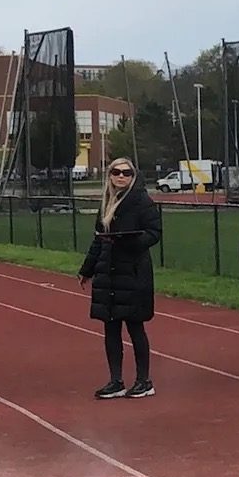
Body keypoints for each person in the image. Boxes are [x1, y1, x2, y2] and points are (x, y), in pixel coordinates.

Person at [78, 157, 162, 399]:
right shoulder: (106, 203)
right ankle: (116, 381)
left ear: (133, 176)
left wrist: (130, 242)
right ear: (110, 175)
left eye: (126, 172)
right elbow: (98, 238)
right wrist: (87, 269)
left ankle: (144, 381)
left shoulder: (141, 201)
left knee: (135, 326)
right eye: (116, 172)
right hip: (108, 272)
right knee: (111, 328)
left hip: (133, 271)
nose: (121, 176)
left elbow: (154, 232)